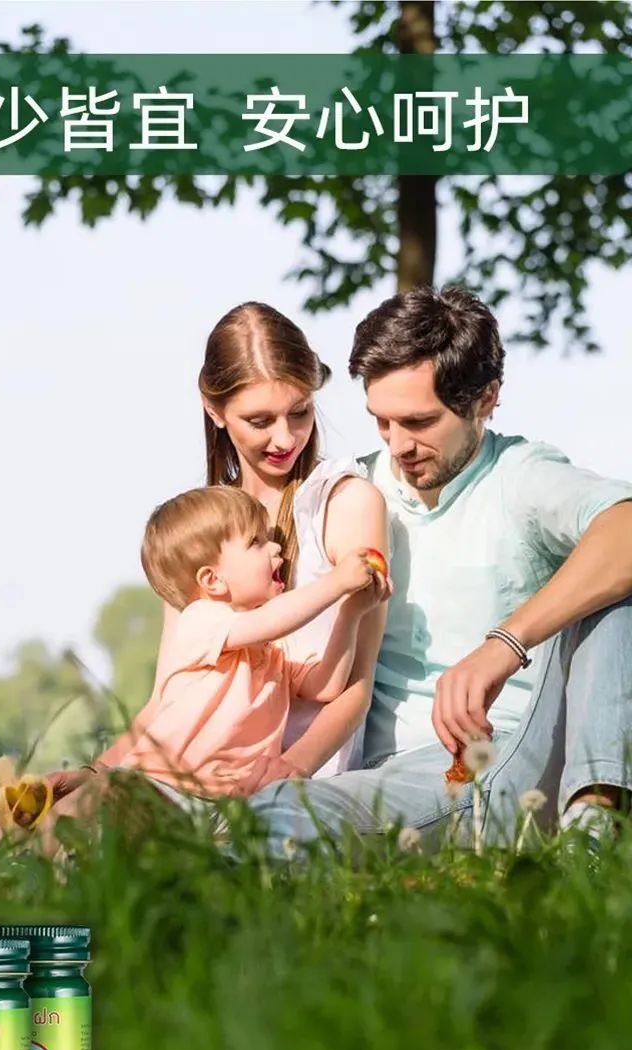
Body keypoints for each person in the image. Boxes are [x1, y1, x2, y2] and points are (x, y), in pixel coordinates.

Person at [246, 285, 632, 852]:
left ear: (485, 399)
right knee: (268, 814)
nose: (399, 445)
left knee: (614, 578)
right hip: (388, 773)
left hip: (512, 751)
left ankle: (591, 837)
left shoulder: (519, 476)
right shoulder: (354, 491)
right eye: (381, 421)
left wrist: (503, 643)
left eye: (419, 422)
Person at [49, 302, 390, 812]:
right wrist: (101, 769)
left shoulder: (345, 500)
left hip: (292, 786)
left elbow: (352, 687)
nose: (286, 437)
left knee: (91, 826)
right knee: (45, 821)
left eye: (300, 411)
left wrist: (287, 776)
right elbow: (170, 698)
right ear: (214, 410)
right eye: (260, 420)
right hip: (188, 784)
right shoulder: (204, 535)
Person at [83, 485, 388, 803]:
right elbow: (271, 619)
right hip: (163, 784)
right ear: (212, 580)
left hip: (226, 800)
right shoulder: (199, 621)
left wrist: (351, 613)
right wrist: (337, 582)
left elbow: (325, 687)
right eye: (256, 542)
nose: (275, 549)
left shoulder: (273, 649)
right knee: (114, 823)